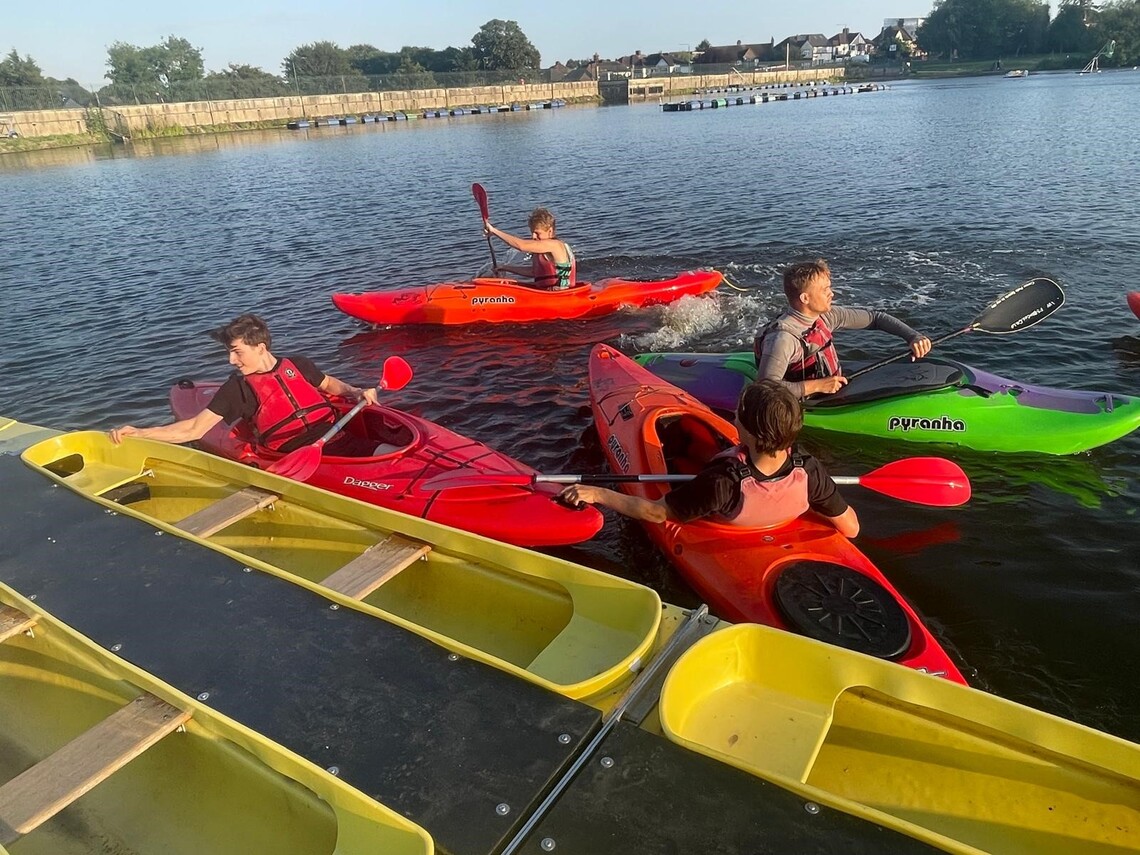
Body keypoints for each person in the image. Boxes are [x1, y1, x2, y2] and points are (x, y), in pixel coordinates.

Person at [560, 379, 859, 537]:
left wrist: (598, 493)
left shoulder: (722, 481)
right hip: (772, 521)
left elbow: (655, 513)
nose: (734, 420)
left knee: (682, 447)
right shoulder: (809, 471)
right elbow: (851, 528)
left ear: (750, 432)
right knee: (694, 433)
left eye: (738, 416)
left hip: (724, 518)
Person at [110, 313, 379, 454]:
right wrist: (140, 433)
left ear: (260, 347)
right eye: (229, 352)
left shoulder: (298, 364)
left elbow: (328, 383)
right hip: (301, 456)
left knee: (391, 452)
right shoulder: (237, 389)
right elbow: (192, 429)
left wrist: (355, 391)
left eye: (237, 352)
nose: (231, 360)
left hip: (339, 438)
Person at [754, 259, 932, 399]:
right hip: (805, 400)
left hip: (830, 387)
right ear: (805, 298)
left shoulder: (826, 317)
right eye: (825, 290)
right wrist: (817, 386)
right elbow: (765, 387)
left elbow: (875, 318)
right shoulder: (783, 339)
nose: (832, 294)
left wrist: (912, 336)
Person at [483, 207, 576, 290]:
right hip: (545, 293)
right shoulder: (541, 249)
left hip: (561, 295)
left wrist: (494, 231)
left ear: (550, 231)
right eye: (532, 232)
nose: (533, 236)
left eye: (537, 233)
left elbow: (521, 246)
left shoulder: (555, 245)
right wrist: (504, 268)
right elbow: (534, 272)